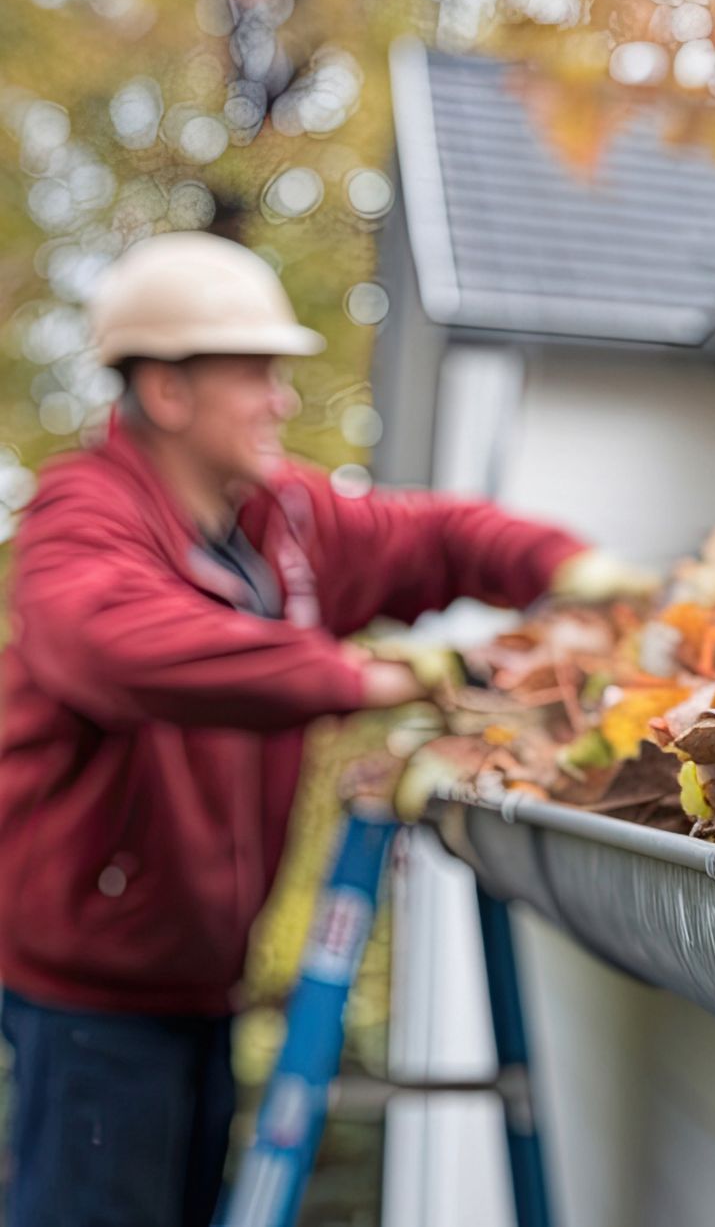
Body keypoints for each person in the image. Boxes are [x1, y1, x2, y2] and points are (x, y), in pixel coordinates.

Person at [0, 232, 650, 1227]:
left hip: (201, 977)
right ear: (168, 394)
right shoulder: (82, 516)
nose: (282, 400)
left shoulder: (282, 520)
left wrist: (570, 569)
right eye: (255, 375)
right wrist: (364, 674)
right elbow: (116, 643)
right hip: (90, 997)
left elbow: (433, 535)